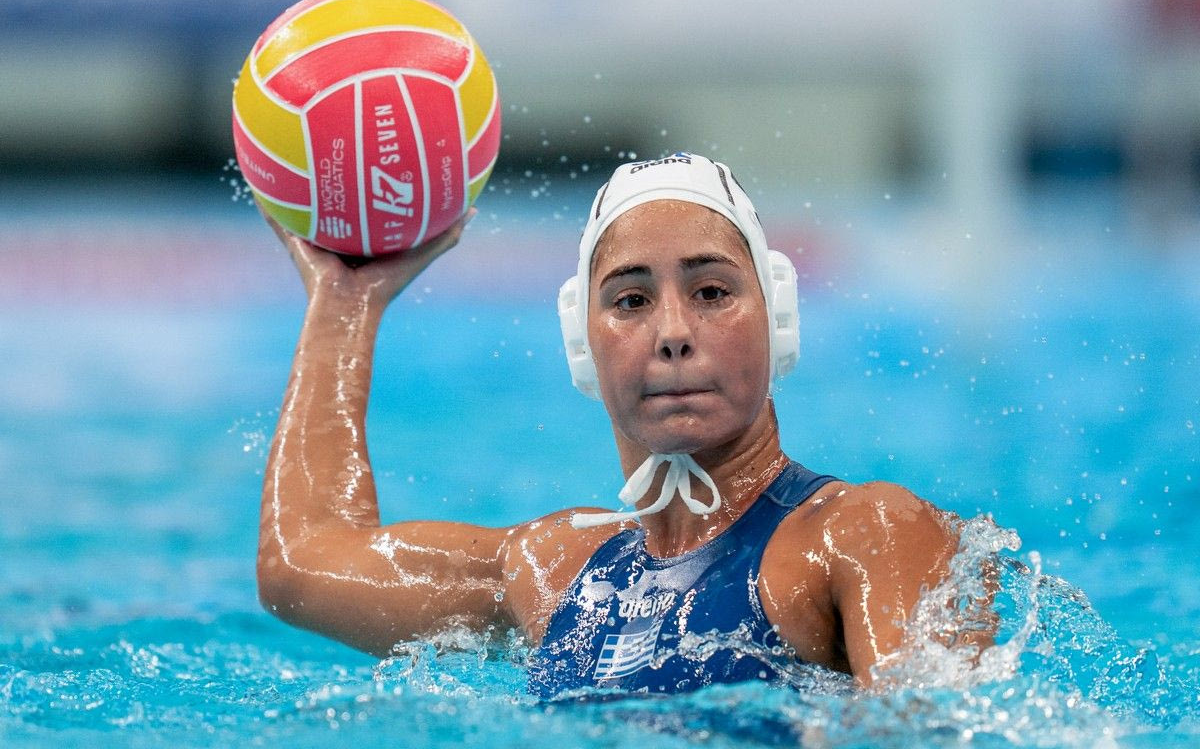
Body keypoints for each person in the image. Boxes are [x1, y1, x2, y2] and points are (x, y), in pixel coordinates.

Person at [256, 152, 974, 698]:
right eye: (631, 301)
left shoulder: (867, 534)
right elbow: (302, 564)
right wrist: (344, 302)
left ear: (776, 318)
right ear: (583, 344)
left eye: (712, 291)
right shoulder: (551, 573)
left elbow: (923, 732)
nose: (673, 332)